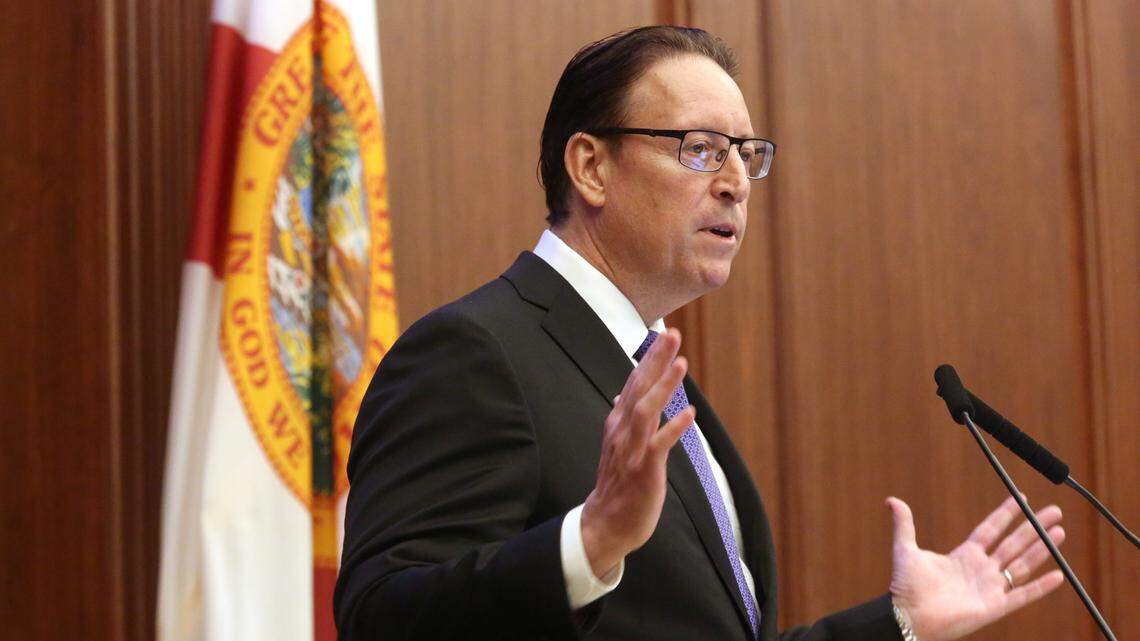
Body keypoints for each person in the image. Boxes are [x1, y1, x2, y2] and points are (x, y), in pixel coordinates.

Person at [334, 26, 1066, 641]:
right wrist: (587, 544)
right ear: (590, 165)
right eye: (700, 148)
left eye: (747, 155)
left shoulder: (648, 368)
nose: (737, 183)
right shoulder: (475, 353)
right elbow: (381, 616)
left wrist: (900, 621)